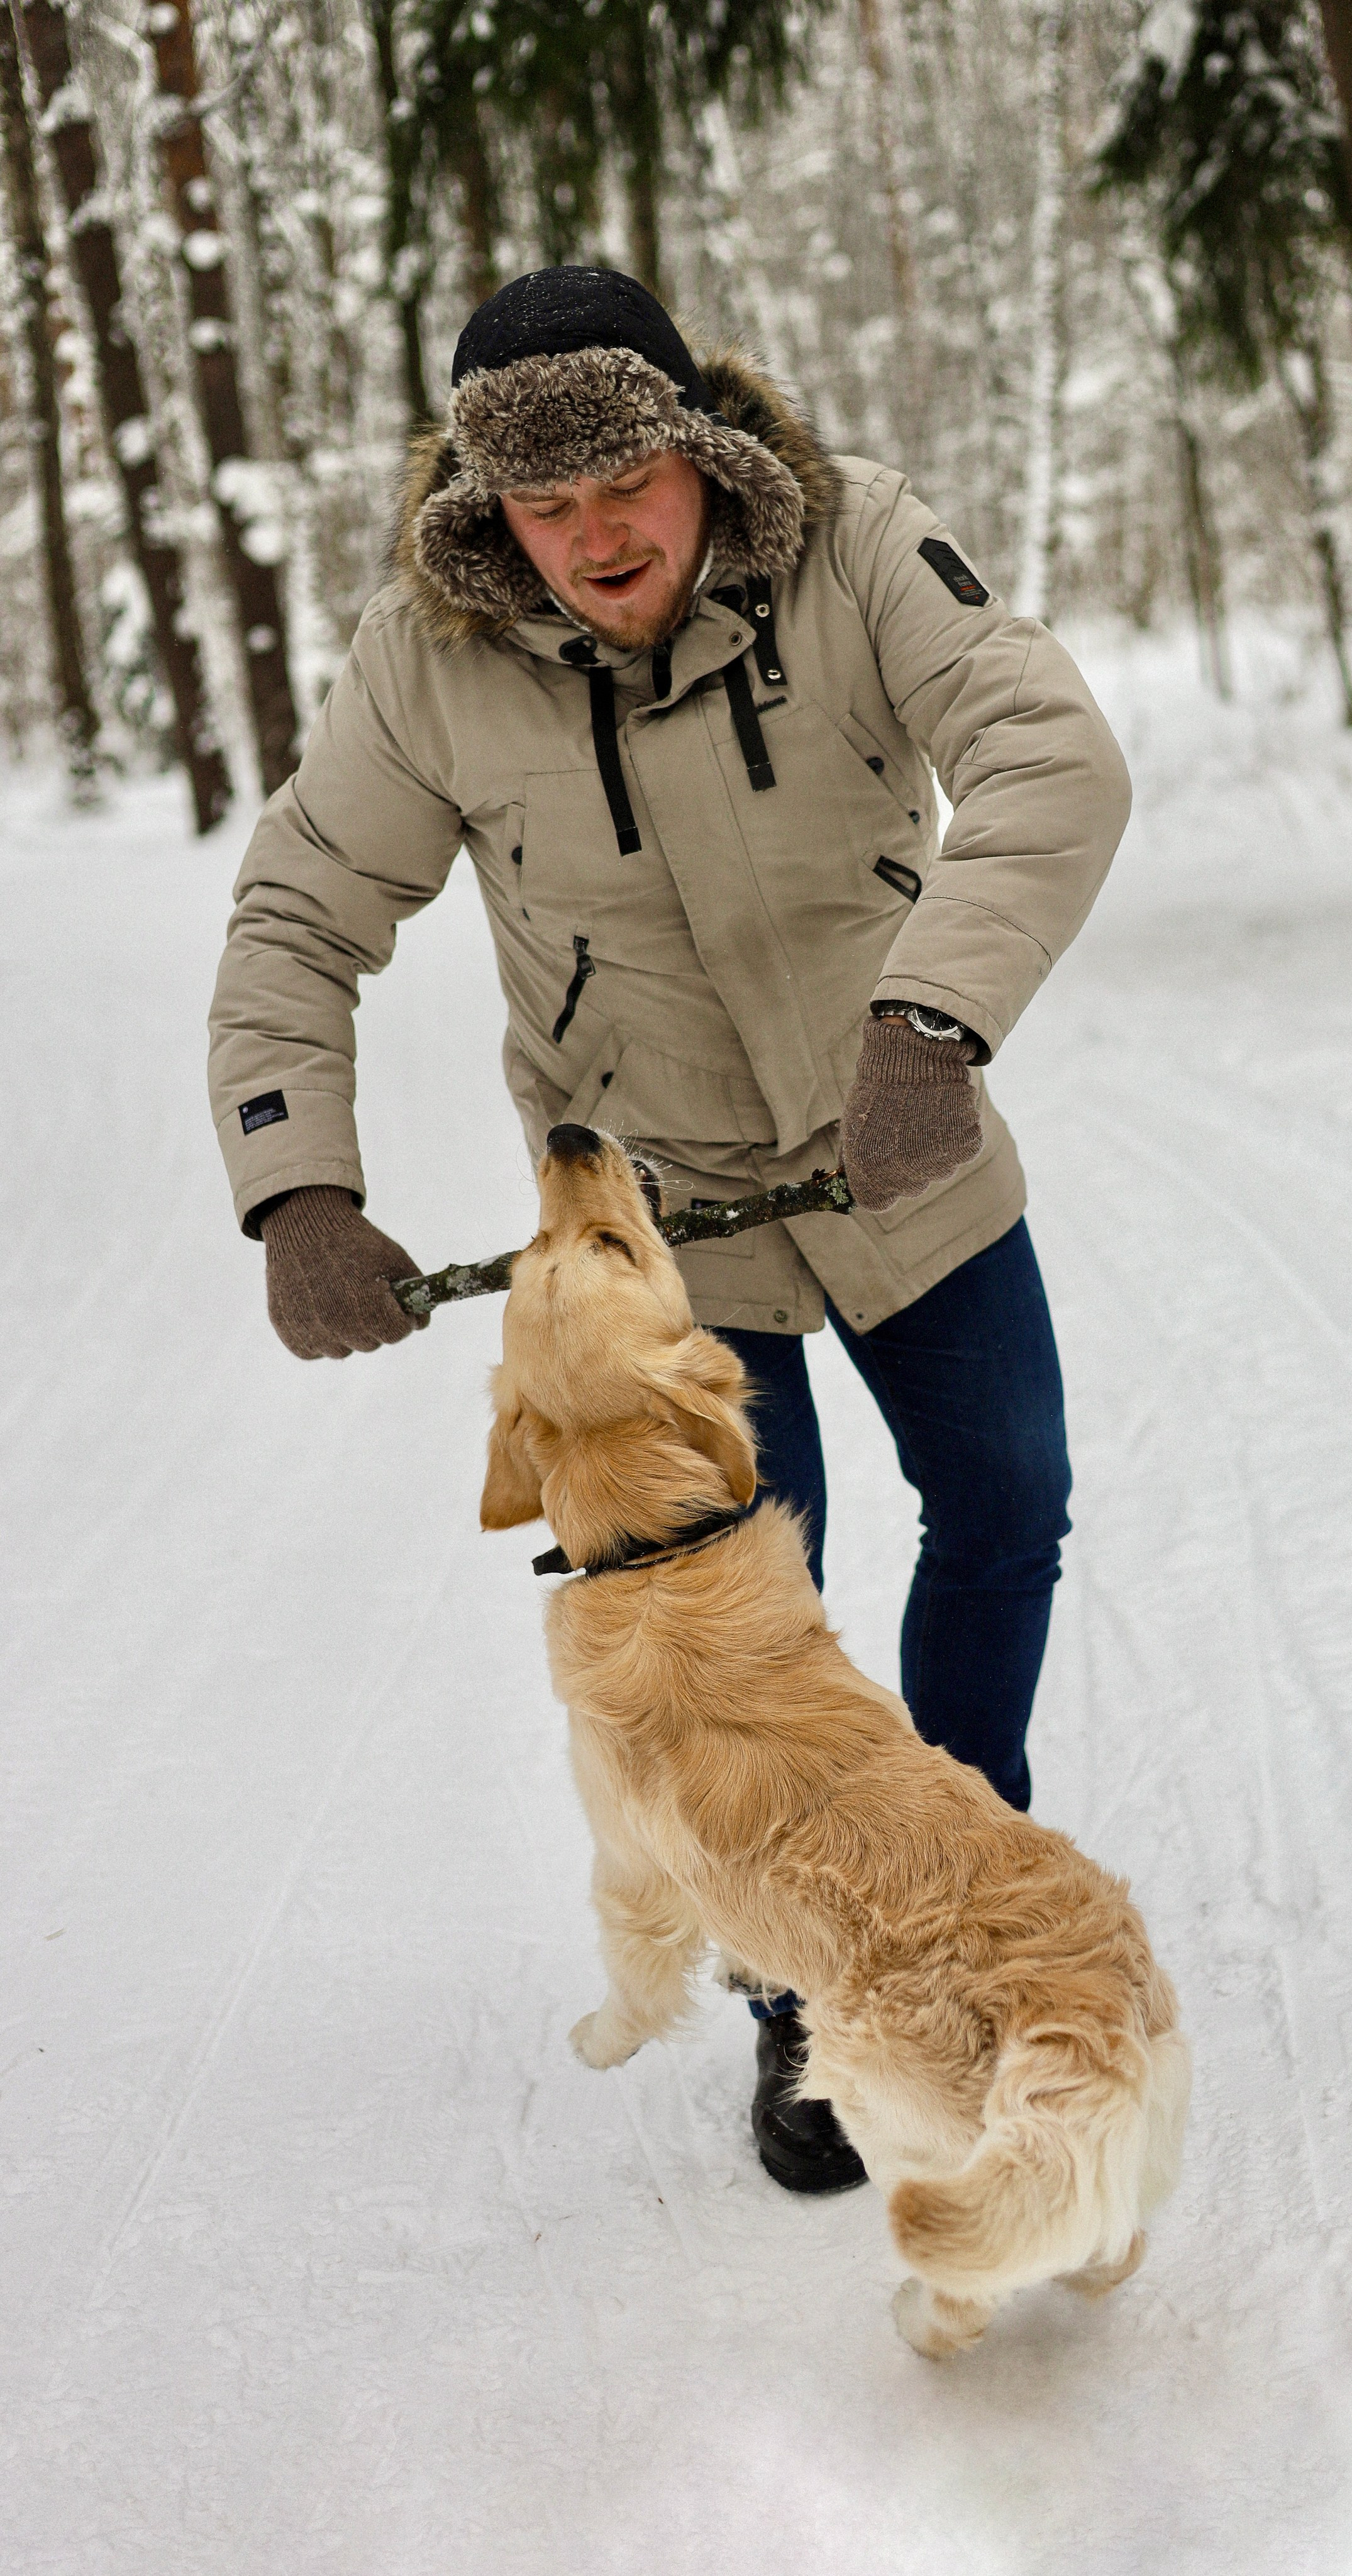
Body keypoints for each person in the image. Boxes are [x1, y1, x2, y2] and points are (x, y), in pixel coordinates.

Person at [209, 267, 1131, 2197]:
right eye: (545, 509)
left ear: (699, 449)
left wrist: (934, 1016)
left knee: (1009, 1500)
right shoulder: (430, 659)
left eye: (627, 479)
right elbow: (300, 911)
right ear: (488, 518)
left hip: (906, 1138)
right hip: (655, 1230)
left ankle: (964, 1870)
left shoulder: (860, 543)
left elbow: (1050, 754)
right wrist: (298, 1182)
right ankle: (811, 1987)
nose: (597, 535)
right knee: (732, 1647)